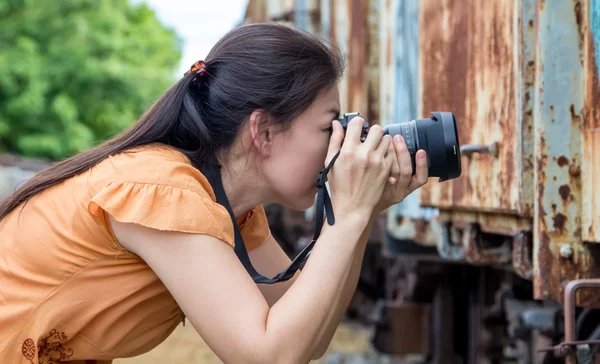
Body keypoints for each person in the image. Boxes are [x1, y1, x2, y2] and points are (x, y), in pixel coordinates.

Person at [0, 23, 428, 364]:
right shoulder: (164, 191)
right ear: (262, 131)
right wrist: (349, 215)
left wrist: (361, 211)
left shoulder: (230, 209)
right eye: (327, 127)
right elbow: (269, 356)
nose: (339, 143)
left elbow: (307, 338)